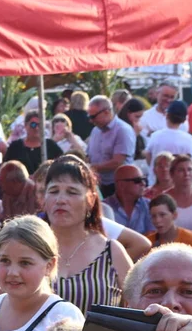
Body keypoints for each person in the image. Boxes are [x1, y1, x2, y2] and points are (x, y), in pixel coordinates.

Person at [45, 157, 132, 314]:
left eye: (72, 192)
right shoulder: (28, 247)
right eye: (53, 191)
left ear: (91, 200)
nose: (60, 200)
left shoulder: (112, 252)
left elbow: (139, 309)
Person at [85, 95, 135, 198]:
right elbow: (89, 156)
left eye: (93, 117)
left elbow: (117, 162)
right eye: (89, 117)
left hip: (119, 186)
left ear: (107, 112)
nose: (91, 121)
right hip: (99, 185)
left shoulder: (122, 130)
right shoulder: (95, 131)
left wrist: (91, 168)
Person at [145, 100, 192, 186]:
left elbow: (149, 158)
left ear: (167, 115)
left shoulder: (155, 136)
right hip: (179, 185)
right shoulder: (188, 139)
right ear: (184, 120)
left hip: (156, 183)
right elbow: (191, 162)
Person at [5, 110, 63, 175]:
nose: (36, 128)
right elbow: (6, 169)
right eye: (33, 124)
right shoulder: (15, 146)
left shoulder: (51, 146)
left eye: (40, 125)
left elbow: (61, 166)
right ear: (26, 125)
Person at [103, 164, 154, 235]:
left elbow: (152, 234)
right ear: (121, 185)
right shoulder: (103, 208)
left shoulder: (149, 205)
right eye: (137, 180)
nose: (143, 183)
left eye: (144, 179)